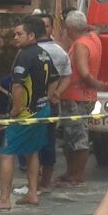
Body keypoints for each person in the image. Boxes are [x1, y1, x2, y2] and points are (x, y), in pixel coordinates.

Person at [0, 16, 57, 211]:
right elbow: (55, 79)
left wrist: (16, 109)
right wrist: (48, 98)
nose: (15, 38)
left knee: (7, 153)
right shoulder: (44, 54)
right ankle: (32, 193)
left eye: (19, 34)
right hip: (42, 110)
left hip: (25, 114)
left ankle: (4, 199)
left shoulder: (25, 55)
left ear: (31, 35)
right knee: (33, 151)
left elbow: (17, 85)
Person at [59, 10, 104, 187]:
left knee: (77, 138)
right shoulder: (93, 38)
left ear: (69, 28)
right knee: (73, 136)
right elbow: (96, 29)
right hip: (86, 96)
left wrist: (96, 83)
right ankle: (71, 173)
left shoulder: (80, 45)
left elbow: (84, 73)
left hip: (76, 97)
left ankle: (76, 176)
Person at [36, 12, 73, 191]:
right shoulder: (32, 49)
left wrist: (57, 92)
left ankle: (42, 182)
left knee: (44, 143)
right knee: (41, 143)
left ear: (52, 28)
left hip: (45, 104)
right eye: (40, 25)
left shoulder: (57, 51)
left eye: (47, 26)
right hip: (40, 103)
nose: (44, 29)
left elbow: (67, 76)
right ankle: (38, 182)